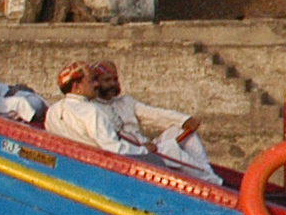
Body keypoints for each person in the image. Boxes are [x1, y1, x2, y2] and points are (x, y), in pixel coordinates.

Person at [46, 60, 217, 182]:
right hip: (128, 159)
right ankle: (215, 185)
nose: (111, 84)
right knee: (172, 150)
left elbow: (154, 114)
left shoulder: (55, 111)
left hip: (138, 150)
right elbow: (113, 148)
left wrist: (184, 120)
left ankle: (210, 175)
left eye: (115, 79)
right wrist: (143, 150)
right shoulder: (92, 109)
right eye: (103, 81)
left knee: (180, 133)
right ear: (78, 86)